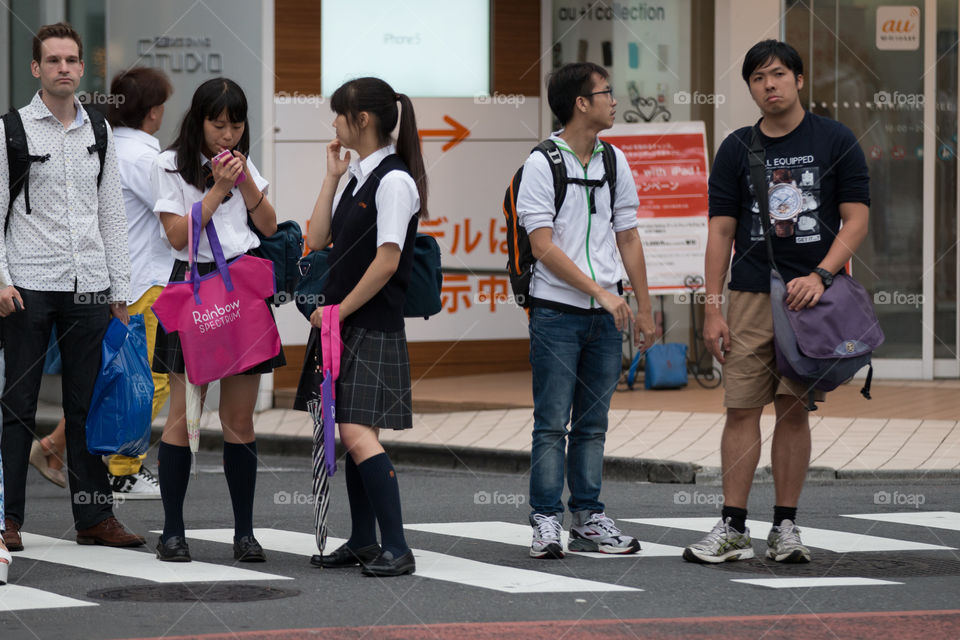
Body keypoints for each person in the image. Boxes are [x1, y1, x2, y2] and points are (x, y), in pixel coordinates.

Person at [683, 40, 870, 564]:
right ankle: (732, 526)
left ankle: (785, 528)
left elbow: (857, 218)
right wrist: (712, 308)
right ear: (750, 87)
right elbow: (720, 230)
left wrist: (821, 274)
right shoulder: (737, 147)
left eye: (779, 74)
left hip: (810, 297)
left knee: (793, 409)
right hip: (746, 294)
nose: (770, 84)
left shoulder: (835, 139)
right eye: (759, 78)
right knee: (740, 408)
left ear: (800, 80)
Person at [0, 22, 145, 551]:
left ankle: (93, 519)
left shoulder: (99, 131)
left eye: (71, 60)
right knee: (17, 406)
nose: (63, 67)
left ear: (83, 69)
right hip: (27, 288)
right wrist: (1, 280)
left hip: (89, 288)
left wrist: (120, 294)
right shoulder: (10, 131)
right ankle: (7, 519)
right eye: (53, 60)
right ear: (36, 69)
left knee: (88, 407)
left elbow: (112, 217)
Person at [515, 62, 656, 559]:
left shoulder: (613, 162)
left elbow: (628, 236)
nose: (614, 101)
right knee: (552, 421)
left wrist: (642, 305)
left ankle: (589, 518)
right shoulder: (542, 163)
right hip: (557, 312)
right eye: (606, 92)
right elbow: (542, 246)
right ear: (581, 102)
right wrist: (601, 291)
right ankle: (545, 520)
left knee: (593, 423)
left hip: (606, 313)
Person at [152, 77, 283, 563]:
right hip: (193, 287)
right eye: (217, 124)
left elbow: (268, 226)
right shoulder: (170, 164)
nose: (227, 135)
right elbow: (178, 237)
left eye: (236, 125)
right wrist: (216, 189)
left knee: (239, 419)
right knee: (184, 418)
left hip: (242, 290)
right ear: (198, 121)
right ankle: (172, 532)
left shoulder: (244, 165)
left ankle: (244, 533)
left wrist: (243, 180)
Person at [306, 77, 427, 577]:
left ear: (362, 120)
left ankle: (397, 546)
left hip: (369, 322)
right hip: (348, 322)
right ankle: (362, 539)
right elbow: (315, 240)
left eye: (339, 114)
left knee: (356, 432)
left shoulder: (395, 180)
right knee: (353, 431)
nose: (333, 123)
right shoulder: (357, 174)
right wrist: (332, 176)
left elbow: (387, 261)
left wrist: (338, 311)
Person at [99, 66, 175, 500]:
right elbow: (175, 221)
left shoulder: (108, 145)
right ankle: (124, 470)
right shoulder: (147, 159)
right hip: (147, 279)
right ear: (152, 112)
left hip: (118, 280)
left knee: (120, 375)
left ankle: (104, 459)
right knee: (151, 379)